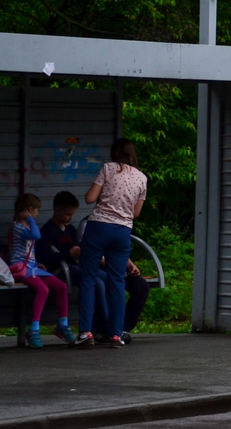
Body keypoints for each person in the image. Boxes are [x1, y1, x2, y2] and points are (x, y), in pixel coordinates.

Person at [39, 191, 149, 344]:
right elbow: (44, 256)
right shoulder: (50, 231)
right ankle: (102, 326)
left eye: (72, 215)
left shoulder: (70, 229)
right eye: (67, 215)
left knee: (110, 281)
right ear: (56, 210)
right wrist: (68, 254)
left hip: (77, 265)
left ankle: (116, 326)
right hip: (62, 268)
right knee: (97, 283)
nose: (70, 218)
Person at [74, 139, 147, 349]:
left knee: (88, 279)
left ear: (114, 152)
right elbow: (136, 213)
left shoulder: (108, 168)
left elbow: (90, 198)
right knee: (118, 282)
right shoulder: (142, 178)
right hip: (123, 232)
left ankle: (86, 333)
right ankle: (116, 335)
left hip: (98, 227)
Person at [9, 193, 74, 348]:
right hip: (21, 268)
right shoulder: (18, 227)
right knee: (43, 289)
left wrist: (37, 263)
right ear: (30, 210)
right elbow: (36, 236)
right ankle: (34, 329)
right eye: (36, 211)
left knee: (61, 287)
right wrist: (30, 219)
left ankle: (63, 324)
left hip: (32, 267)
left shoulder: (26, 226)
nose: (38, 214)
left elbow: (29, 251)